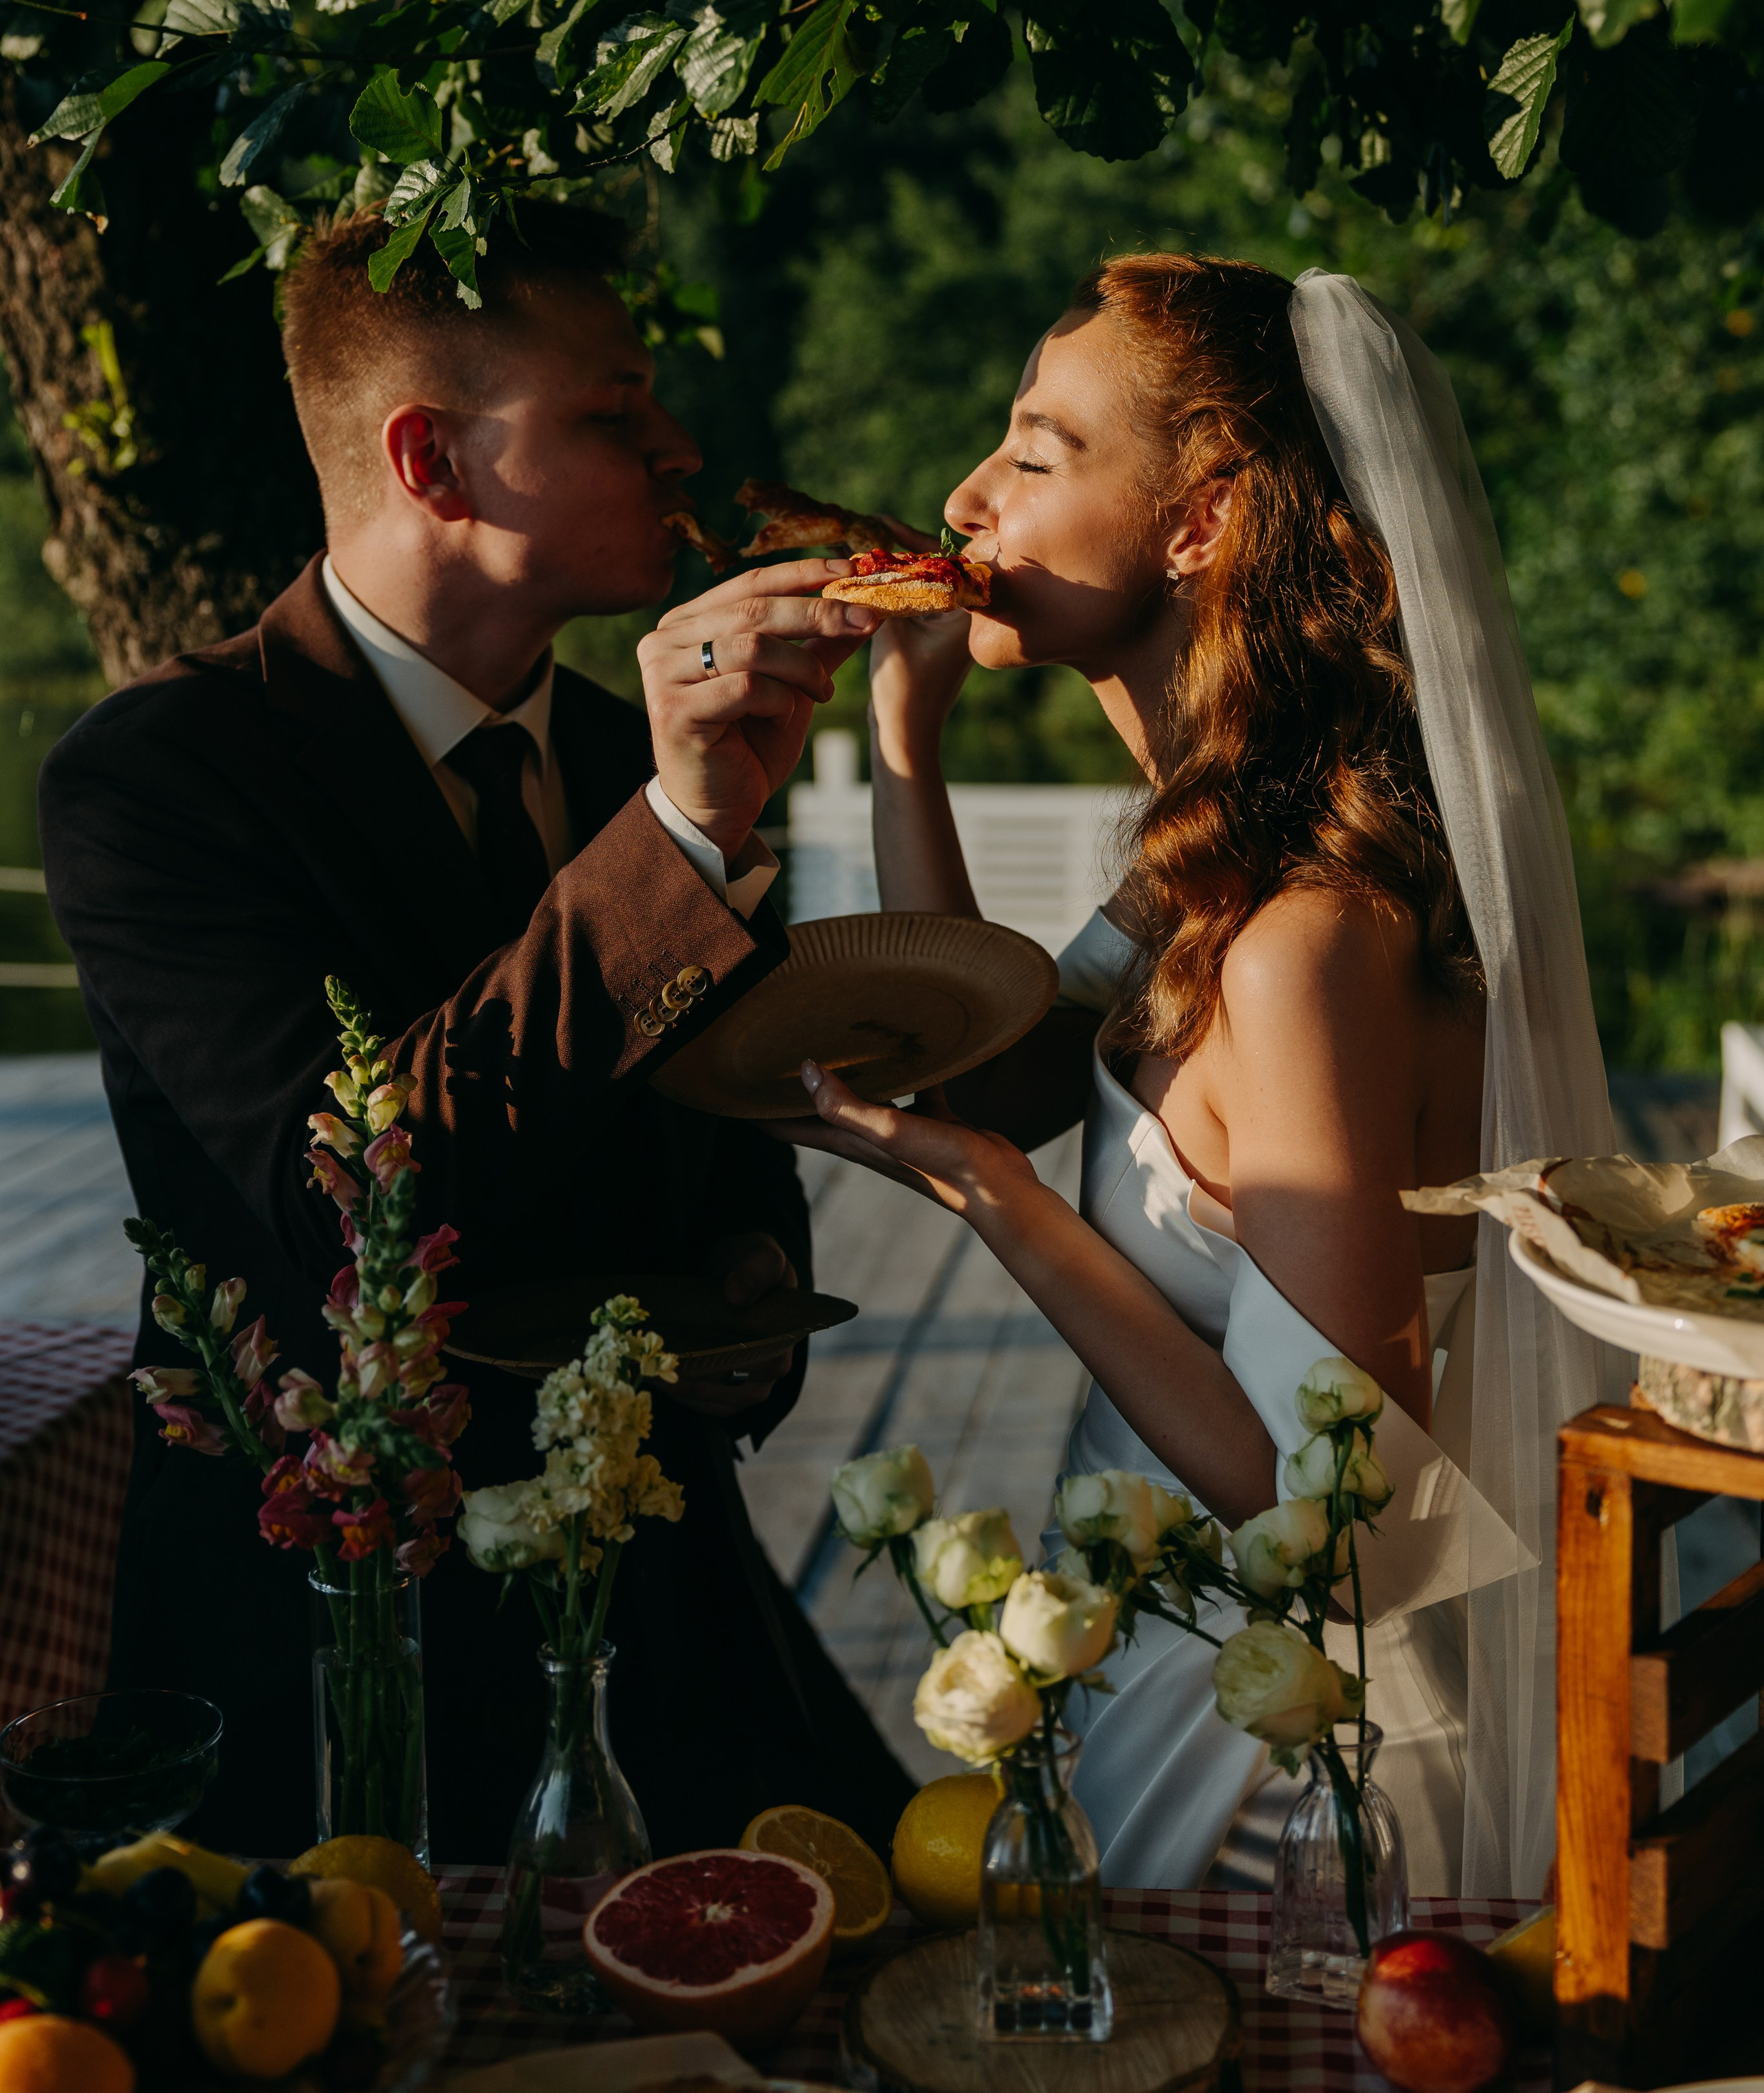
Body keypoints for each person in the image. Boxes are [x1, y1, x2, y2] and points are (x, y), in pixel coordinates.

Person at [38, 200, 914, 1862]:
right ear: (431, 460)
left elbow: (714, 1128)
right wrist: (678, 841)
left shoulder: (633, 755)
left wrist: (748, 1294)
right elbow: (353, 1209)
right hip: (339, 1652)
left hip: (669, 1619)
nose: (679, 448)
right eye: (612, 410)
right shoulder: (153, 779)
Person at [784, 256, 1622, 1898]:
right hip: (1167, 1661)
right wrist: (906, 732)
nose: (964, 496)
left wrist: (1000, 1212)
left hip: (1288, 1777)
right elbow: (974, 1068)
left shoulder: (1303, 943)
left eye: (1036, 452)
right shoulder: (1205, 868)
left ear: (1196, 525)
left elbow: (1346, 1519)